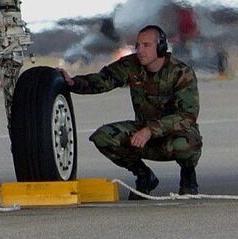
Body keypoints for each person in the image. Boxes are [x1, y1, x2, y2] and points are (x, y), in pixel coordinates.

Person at [60, 25, 201, 197]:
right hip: (142, 133)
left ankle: (188, 176)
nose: (140, 50)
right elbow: (103, 80)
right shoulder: (131, 65)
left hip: (174, 134)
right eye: (138, 45)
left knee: (185, 144)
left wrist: (150, 130)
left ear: (161, 47)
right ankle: (144, 175)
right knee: (103, 137)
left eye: (146, 45)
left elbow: (187, 116)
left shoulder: (181, 72)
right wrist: (74, 83)